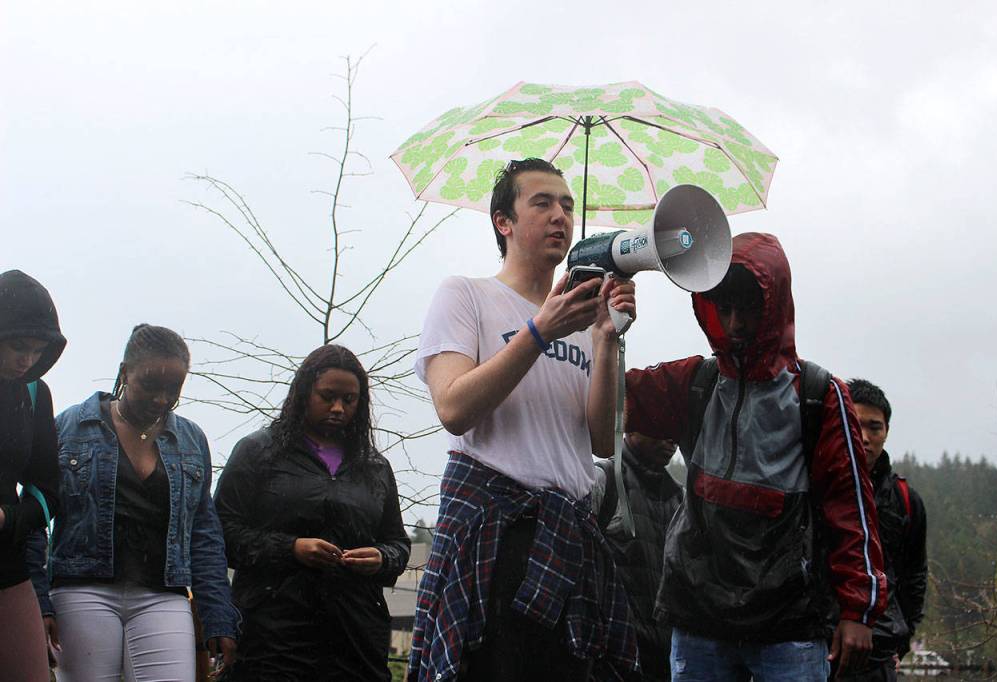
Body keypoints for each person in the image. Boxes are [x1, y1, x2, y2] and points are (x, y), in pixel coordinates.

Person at [408, 158, 639, 682]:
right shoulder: (466, 294)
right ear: (502, 222)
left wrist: (605, 339)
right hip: (498, 533)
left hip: (567, 536)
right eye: (541, 203)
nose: (560, 216)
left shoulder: (582, 321)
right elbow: (453, 408)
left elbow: (602, 439)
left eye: (566, 205)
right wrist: (539, 332)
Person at [625, 232, 888, 681]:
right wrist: (603, 329)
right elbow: (612, 402)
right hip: (699, 616)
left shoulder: (819, 396)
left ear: (775, 305)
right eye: (723, 308)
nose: (735, 323)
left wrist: (857, 610)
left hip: (788, 622)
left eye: (747, 308)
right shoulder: (695, 381)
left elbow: (850, 507)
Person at [29, 324, 238, 681]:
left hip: (163, 593)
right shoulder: (70, 427)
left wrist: (219, 616)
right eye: (150, 385)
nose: (161, 398)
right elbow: (36, 517)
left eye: (173, 388)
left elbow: (204, 532)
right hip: (82, 588)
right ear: (125, 372)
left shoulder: (190, 439)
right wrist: (39, 602)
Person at [214, 344, 411, 681]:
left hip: (355, 634)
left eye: (349, 400)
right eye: (327, 396)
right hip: (273, 633)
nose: (338, 408)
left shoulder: (375, 467)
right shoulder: (259, 452)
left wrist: (381, 557)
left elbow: (398, 542)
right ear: (304, 392)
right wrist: (291, 548)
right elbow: (221, 533)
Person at [0, 270, 66, 682]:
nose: (28, 360)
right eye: (17, 347)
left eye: (38, 351)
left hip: (6, 564)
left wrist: (9, 518)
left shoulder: (34, 394)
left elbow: (47, 489)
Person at [842, 378, 927, 681]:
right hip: (816, 652)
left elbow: (914, 575)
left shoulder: (906, 500)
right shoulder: (812, 489)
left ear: (886, 432)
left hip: (879, 660)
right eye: (855, 423)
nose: (864, 437)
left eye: (874, 427)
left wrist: (901, 639)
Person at [591, 432, 684, 682]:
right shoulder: (604, 479)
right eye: (660, 426)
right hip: (609, 662)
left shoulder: (679, 499)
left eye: (674, 429)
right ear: (631, 426)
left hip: (664, 665)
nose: (671, 439)